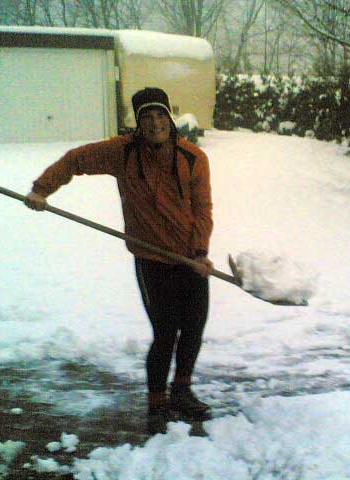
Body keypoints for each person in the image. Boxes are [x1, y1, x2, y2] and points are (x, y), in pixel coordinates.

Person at [24, 87, 214, 434]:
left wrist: (200, 253)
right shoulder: (121, 153)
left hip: (189, 260)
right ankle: (158, 402)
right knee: (165, 332)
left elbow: (202, 209)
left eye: (160, 115)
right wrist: (41, 189)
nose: (154, 123)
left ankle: (182, 392)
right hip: (151, 259)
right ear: (137, 123)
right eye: (146, 117)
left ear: (169, 117)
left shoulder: (192, 158)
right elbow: (74, 160)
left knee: (194, 327)